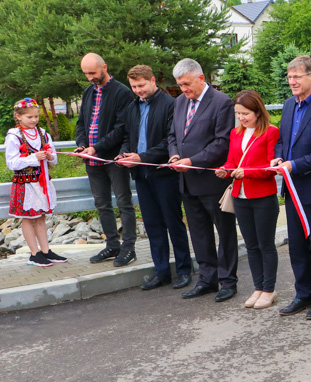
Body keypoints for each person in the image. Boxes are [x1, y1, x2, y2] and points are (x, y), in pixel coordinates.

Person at [113, 65, 192, 290]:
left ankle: (184, 270)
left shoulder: (171, 105)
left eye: (141, 85)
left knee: (173, 222)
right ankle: (161, 272)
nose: (138, 90)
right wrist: (125, 152)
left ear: (153, 80)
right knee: (152, 225)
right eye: (134, 87)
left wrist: (142, 157)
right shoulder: (132, 106)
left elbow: (170, 141)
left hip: (164, 174)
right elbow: (128, 135)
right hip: (141, 174)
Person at [167, 58, 239, 303]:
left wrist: (192, 161)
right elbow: (173, 135)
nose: (183, 89)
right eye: (179, 85)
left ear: (200, 78)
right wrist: (174, 154)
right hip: (187, 183)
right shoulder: (179, 103)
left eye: (186, 84)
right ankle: (207, 280)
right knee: (199, 234)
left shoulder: (221, 102)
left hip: (212, 181)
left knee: (225, 233)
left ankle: (228, 281)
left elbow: (222, 143)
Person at [271, 56, 311, 320]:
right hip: (291, 187)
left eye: (297, 76)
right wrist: (278, 157)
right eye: (289, 77)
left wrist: (293, 165)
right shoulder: (289, 105)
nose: (292, 81)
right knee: (297, 244)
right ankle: (303, 294)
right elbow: (282, 141)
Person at [216, 90, 281, 309]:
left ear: (257, 111)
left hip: (263, 196)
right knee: (251, 246)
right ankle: (258, 288)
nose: (242, 118)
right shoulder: (235, 133)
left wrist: (248, 173)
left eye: (245, 113)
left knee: (266, 245)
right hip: (240, 196)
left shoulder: (271, 132)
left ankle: (269, 290)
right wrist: (225, 169)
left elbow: (272, 167)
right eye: (238, 113)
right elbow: (232, 160)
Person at [75, 53, 137, 267]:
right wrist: (82, 144)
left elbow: (122, 128)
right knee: (102, 204)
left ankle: (129, 248)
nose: (90, 77)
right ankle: (113, 244)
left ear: (104, 67)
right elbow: (81, 122)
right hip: (91, 158)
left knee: (124, 203)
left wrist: (97, 147)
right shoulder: (88, 92)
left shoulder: (122, 93)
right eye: (86, 74)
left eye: (93, 72)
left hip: (114, 158)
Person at [5, 98, 67, 267]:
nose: (33, 120)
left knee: (41, 217)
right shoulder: (14, 136)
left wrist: (49, 156)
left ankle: (46, 251)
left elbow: (54, 159)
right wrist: (33, 158)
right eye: (29, 117)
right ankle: (34, 253)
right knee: (28, 218)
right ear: (18, 116)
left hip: (42, 182)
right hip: (25, 184)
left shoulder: (43, 134)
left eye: (36, 117)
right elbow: (12, 163)